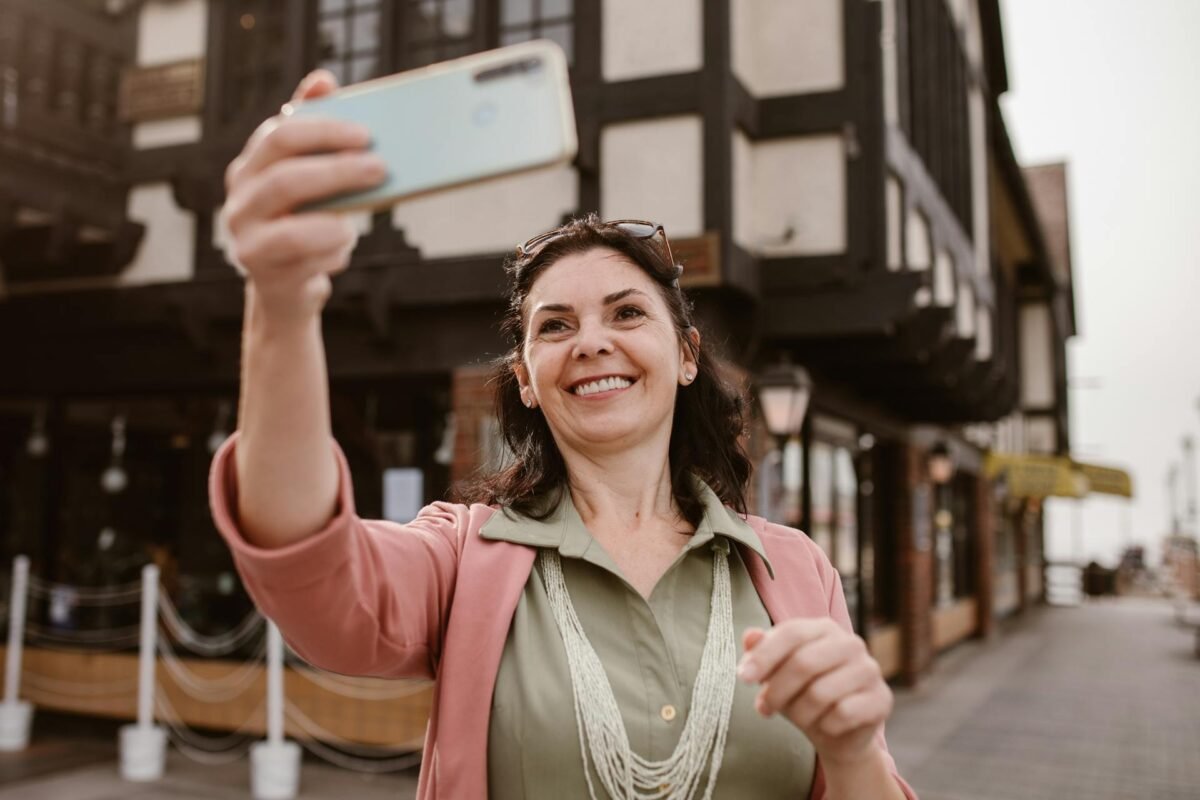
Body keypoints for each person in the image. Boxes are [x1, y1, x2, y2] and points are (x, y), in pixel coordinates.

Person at [211, 69, 917, 800]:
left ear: (685, 356)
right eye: (556, 326)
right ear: (526, 377)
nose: (591, 343)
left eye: (627, 314)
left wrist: (856, 749)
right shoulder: (463, 558)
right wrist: (282, 301)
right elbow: (313, 576)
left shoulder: (799, 570)